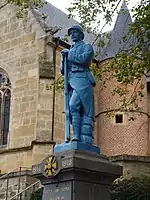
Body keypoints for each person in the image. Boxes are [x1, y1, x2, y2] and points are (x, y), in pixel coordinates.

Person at [60, 25, 96, 144]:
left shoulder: (87, 47)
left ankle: (80, 136)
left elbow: (84, 59)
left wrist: (69, 54)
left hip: (83, 80)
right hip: (72, 81)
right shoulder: (70, 50)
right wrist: (63, 59)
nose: (72, 35)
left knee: (75, 105)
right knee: (73, 108)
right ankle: (76, 136)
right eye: (71, 34)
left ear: (81, 34)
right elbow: (63, 70)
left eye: (75, 32)